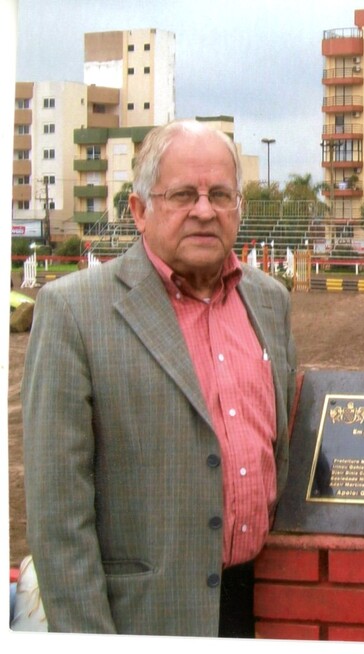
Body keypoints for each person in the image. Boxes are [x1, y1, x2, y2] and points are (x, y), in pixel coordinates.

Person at [22, 119, 297, 637]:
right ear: (139, 210)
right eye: (182, 195)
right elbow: (59, 518)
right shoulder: (73, 311)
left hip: (258, 609)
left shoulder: (270, 302)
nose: (204, 210)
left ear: (238, 207)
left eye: (220, 194)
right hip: (143, 619)